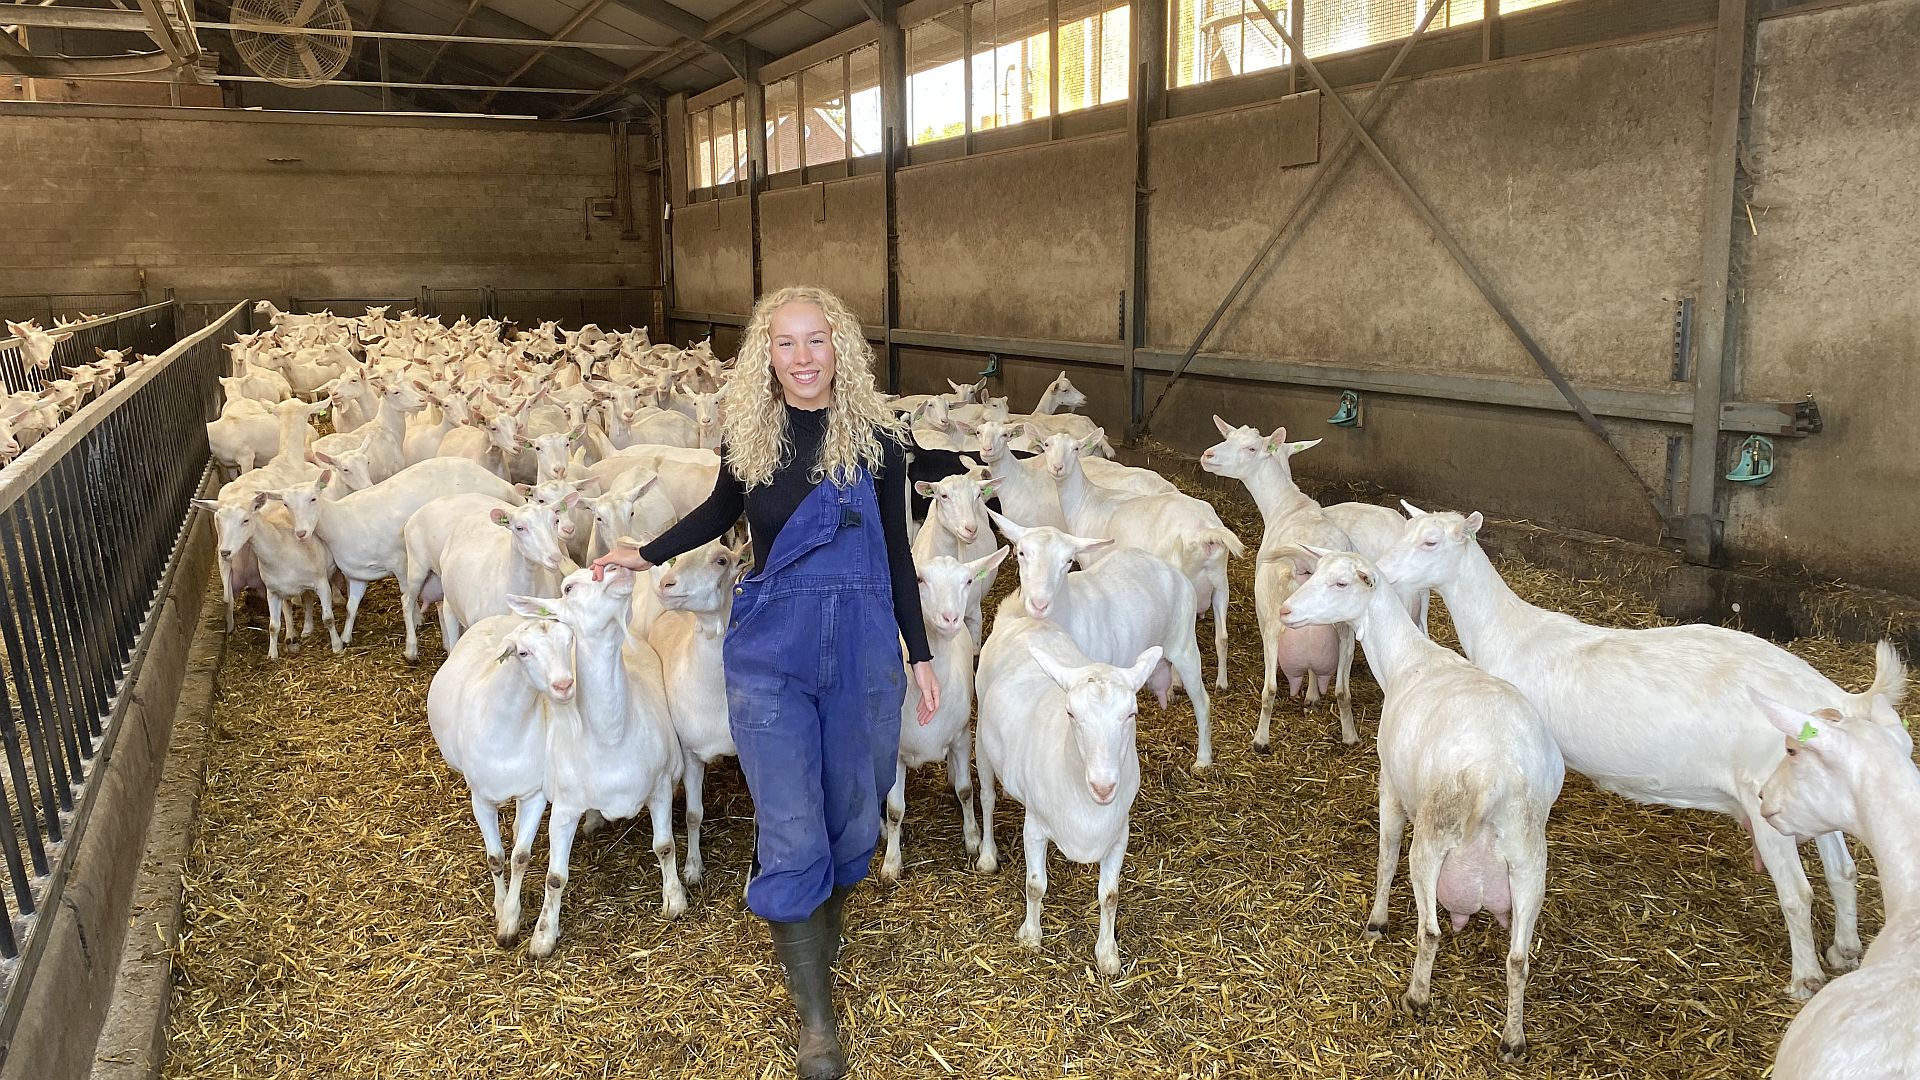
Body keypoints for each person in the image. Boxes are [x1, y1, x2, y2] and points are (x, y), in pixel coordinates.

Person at [590, 285, 938, 1080]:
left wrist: (918, 656)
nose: (804, 358)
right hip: (772, 657)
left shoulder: (880, 441)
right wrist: (642, 553)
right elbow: (718, 513)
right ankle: (818, 1023)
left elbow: (895, 556)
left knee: (854, 819)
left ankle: (821, 929)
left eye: (817, 341)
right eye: (787, 343)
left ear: (840, 349)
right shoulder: (752, 437)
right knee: (790, 825)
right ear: (766, 355)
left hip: (859, 654)